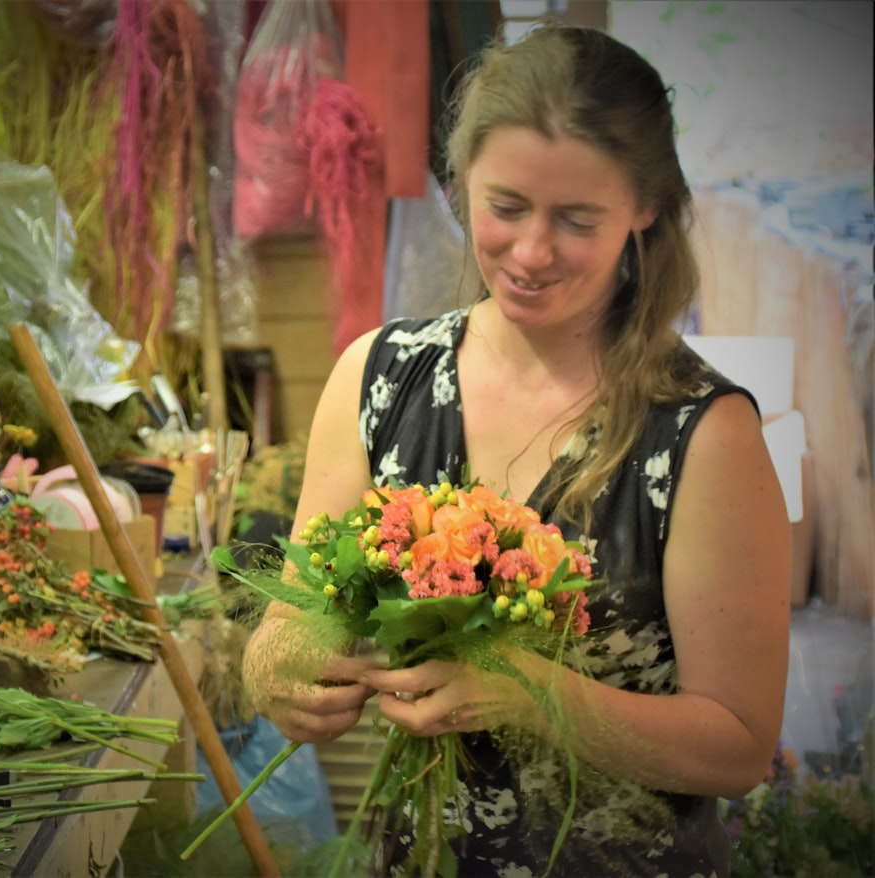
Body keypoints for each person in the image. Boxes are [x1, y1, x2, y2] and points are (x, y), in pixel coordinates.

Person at [241, 22, 791, 877]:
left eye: (576, 219)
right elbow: (290, 615)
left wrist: (535, 694)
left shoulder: (701, 435)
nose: (531, 253)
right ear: (462, 186)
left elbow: (739, 746)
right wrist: (279, 669)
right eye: (505, 208)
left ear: (645, 207)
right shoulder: (378, 377)